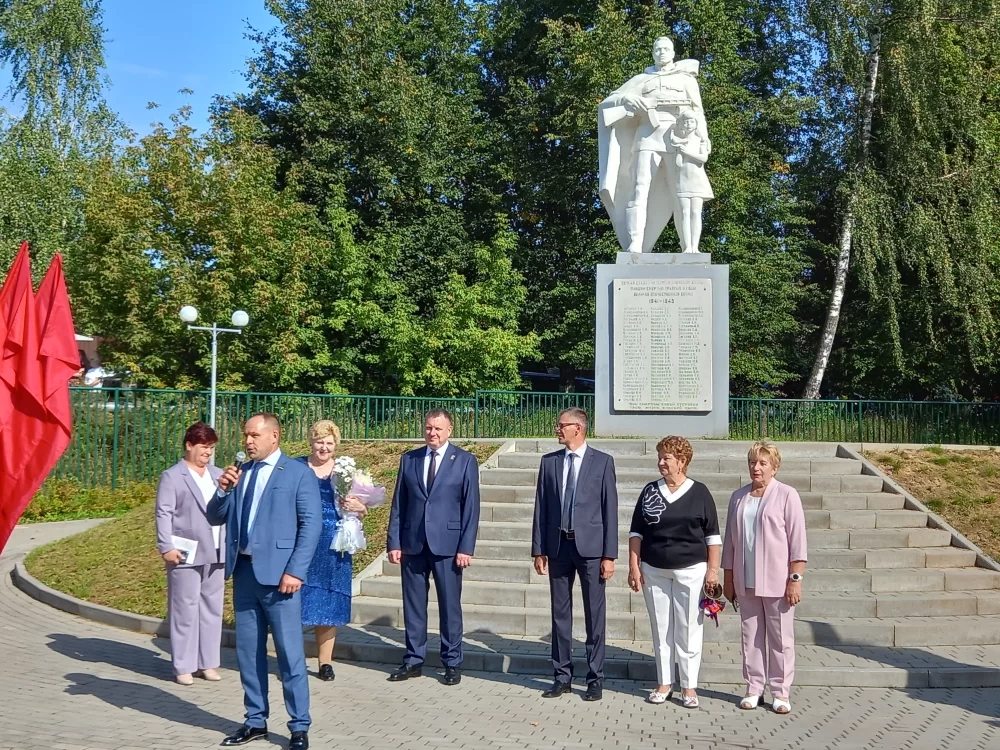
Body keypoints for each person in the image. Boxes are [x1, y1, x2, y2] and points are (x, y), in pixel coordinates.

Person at [206, 414, 322, 750]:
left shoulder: (297, 473)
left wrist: (296, 571)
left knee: (289, 654)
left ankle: (299, 726)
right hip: (244, 573)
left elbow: (311, 525)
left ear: (274, 436)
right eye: (245, 435)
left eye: (254, 435)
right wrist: (223, 489)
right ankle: (255, 720)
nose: (247, 441)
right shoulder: (241, 472)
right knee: (248, 652)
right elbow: (215, 515)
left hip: (281, 578)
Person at [386, 408, 481, 686]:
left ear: (449, 430)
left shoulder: (464, 461)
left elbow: (471, 508)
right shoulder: (410, 459)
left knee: (450, 606)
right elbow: (398, 504)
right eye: (429, 427)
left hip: (448, 546)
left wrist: (466, 547)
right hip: (413, 544)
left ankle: (451, 662)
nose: (432, 433)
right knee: (413, 605)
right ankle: (413, 659)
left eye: (438, 428)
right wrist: (394, 541)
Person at [531, 407, 618, 701]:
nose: (557, 429)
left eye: (561, 425)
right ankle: (562, 676)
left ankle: (595, 678)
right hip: (558, 547)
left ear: (577, 428)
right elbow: (541, 507)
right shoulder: (550, 462)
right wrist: (539, 549)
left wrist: (609, 555)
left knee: (595, 615)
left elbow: (610, 510)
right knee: (560, 614)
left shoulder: (602, 462)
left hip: (591, 550)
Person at [627, 436, 721, 708]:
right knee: (661, 629)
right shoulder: (650, 491)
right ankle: (665, 683)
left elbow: (712, 537)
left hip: (691, 570)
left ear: (682, 461)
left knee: (688, 629)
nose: (661, 463)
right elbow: (636, 532)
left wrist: (712, 572)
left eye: (666, 458)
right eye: (659, 457)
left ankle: (689, 687)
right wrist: (634, 566)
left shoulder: (700, 492)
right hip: (654, 570)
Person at [598, 35, 709, 254]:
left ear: (673, 53)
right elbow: (608, 103)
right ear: (652, 53)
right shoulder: (641, 80)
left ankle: (689, 247)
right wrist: (626, 100)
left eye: (665, 49)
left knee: (682, 194)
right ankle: (635, 244)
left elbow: (698, 112)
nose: (661, 53)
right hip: (647, 137)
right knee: (639, 190)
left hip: (677, 139)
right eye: (657, 49)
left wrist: (703, 139)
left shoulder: (686, 80)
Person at [722, 441, 807, 715]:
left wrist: (795, 579)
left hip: (777, 581)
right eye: (752, 462)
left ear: (774, 467)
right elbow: (730, 541)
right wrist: (728, 578)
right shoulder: (738, 497)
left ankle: (780, 692)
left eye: (762, 463)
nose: (756, 468)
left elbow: (797, 542)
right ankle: (754, 688)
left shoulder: (787, 495)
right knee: (751, 637)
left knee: (780, 638)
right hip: (745, 579)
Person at [154, 421, 226, 686]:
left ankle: (208, 663)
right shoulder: (173, 476)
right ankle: (183, 665)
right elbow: (164, 513)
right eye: (203, 447)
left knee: (212, 609)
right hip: (185, 552)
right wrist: (166, 546)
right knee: (184, 609)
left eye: (211, 447)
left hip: (216, 550)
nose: (208, 452)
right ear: (189, 445)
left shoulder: (218, 475)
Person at [297, 420, 368, 681]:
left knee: (328, 602)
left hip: (335, 544)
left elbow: (361, 509)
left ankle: (325, 662)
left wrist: (360, 507)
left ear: (335, 445)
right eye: (319, 442)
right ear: (311, 442)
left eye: (329, 443)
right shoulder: (297, 467)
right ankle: (292, 659)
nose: (324, 448)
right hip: (303, 541)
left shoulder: (345, 471)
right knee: (297, 600)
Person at [669, 108, 714, 253]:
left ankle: (695, 246)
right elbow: (678, 163)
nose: (688, 124)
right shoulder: (681, 141)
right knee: (685, 213)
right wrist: (679, 149)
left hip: (697, 180)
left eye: (691, 121)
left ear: (696, 123)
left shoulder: (701, 140)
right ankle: (687, 247)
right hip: (683, 179)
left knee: (695, 213)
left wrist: (687, 151)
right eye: (686, 121)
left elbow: (703, 158)